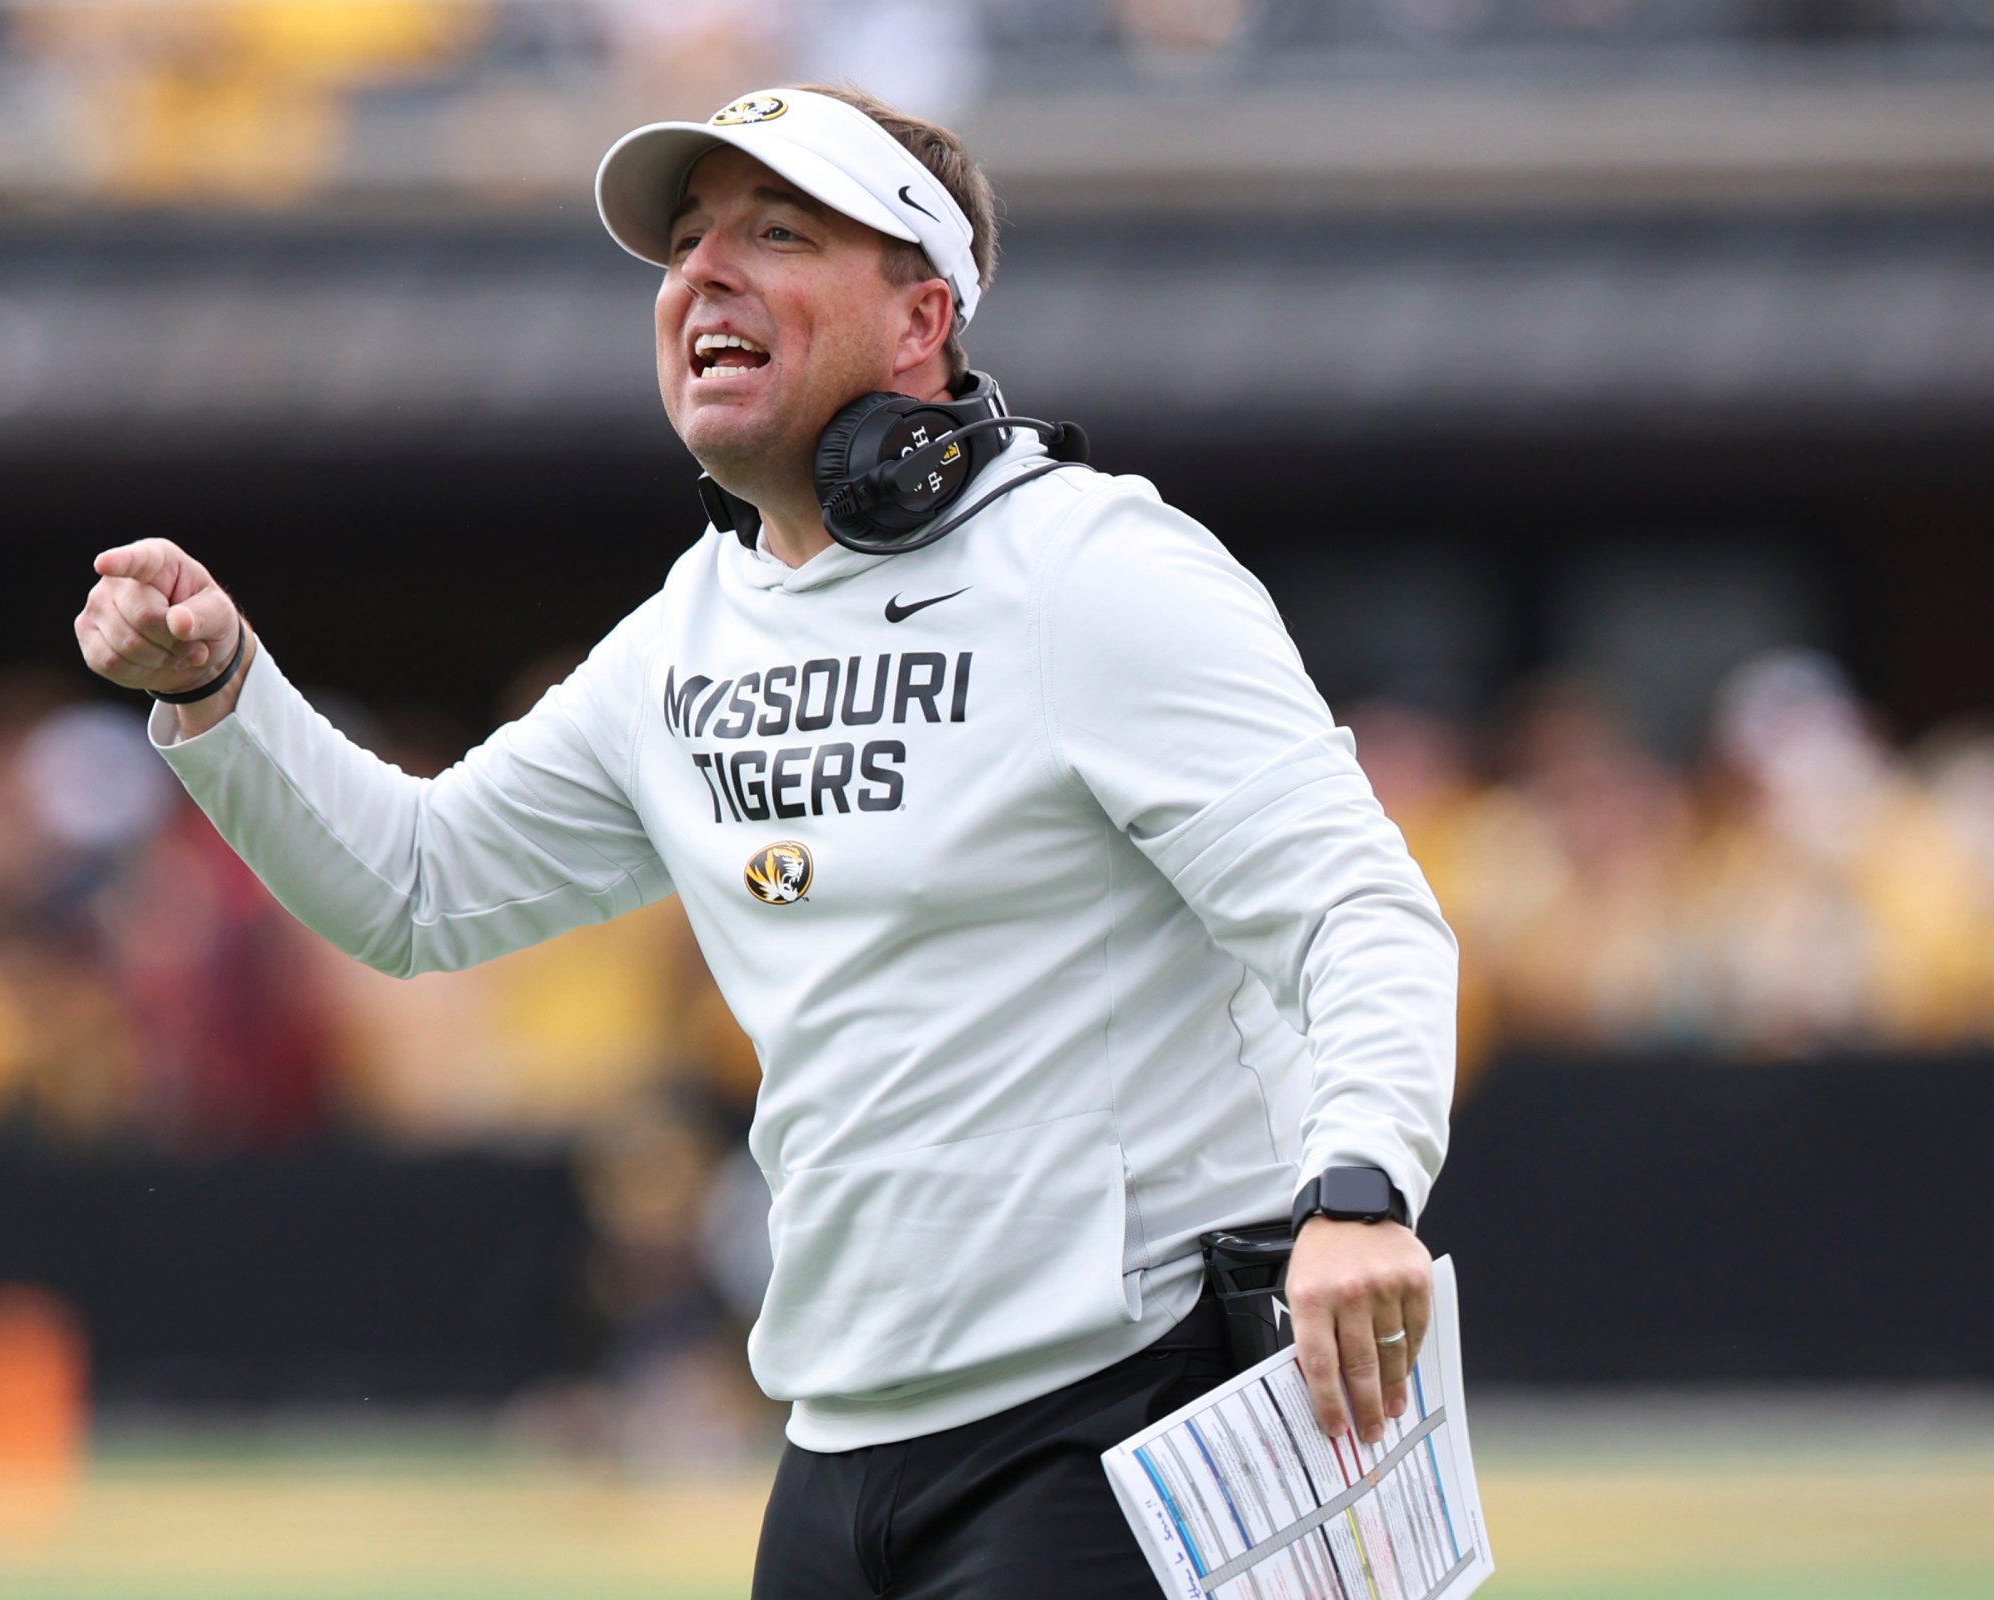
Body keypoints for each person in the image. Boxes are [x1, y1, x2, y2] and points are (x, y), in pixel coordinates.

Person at [74, 83, 1457, 1599]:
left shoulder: (1095, 568)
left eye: (776, 232)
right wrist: (222, 693)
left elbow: (1355, 910)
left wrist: (1361, 1189)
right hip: (838, 1440)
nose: (700, 277)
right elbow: (415, 889)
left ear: (923, 316)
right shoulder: (686, 635)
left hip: (1124, 1416)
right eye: (684, 243)